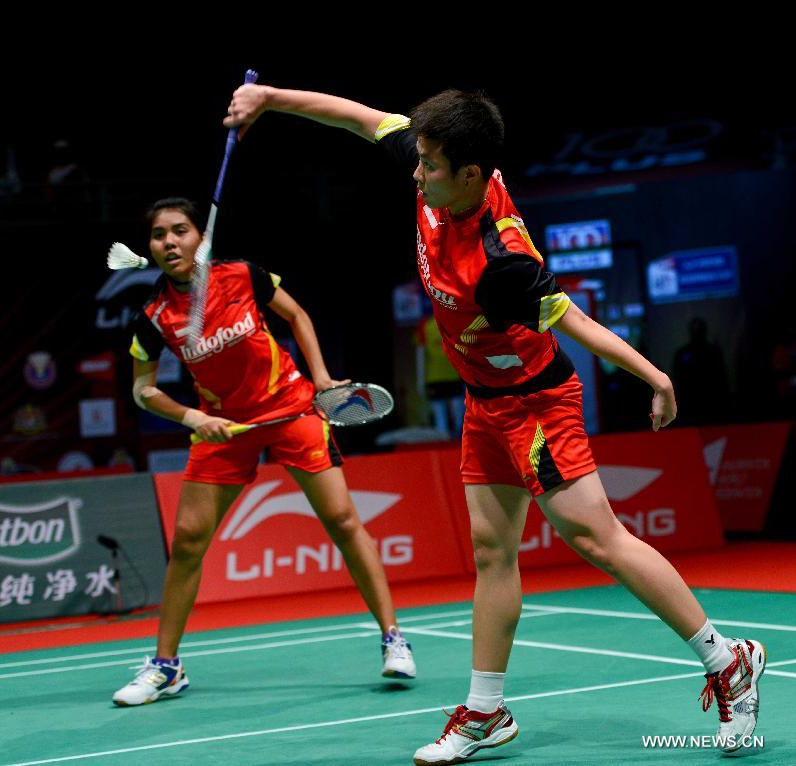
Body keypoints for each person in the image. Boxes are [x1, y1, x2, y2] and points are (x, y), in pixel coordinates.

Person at [223, 86, 767, 760]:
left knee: (597, 539)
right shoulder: (437, 170)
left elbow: (578, 324)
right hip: (485, 402)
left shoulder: (503, 259)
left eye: (429, 166)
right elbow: (359, 118)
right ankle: (486, 712)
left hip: (537, 405)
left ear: (471, 175)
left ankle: (729, 658)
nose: (416, 173)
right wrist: (269, 98)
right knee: (491, 550)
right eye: (418, 159)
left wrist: (653, 376)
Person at [112, 198, 416, 706]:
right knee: (187, 540)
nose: (169, 242)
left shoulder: (244, 275)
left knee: (342, 520)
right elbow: (143, 391)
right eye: (159, 235)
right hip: (225, 427)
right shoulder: (153, 317)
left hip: (292, 410)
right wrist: (193, 417)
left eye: (180, 230)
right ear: (150, 248)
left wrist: (320, 379)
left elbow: (296, 315)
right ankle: (166, 667)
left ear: (199, 238)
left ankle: (393, 637)